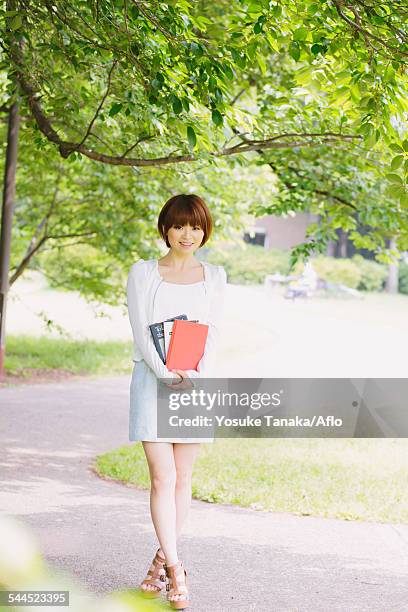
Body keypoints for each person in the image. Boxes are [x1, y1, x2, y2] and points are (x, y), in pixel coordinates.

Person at [126, 194, 227, 609]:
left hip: (196, 381)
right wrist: (166, 372)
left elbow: (214, 331)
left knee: (183, 479)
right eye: (180, 226)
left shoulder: (215, 275)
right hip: (153, 380)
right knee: (161, 478)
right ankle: (175, 569)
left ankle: (160, 559)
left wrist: (194, 374)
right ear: (165, 228)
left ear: (205, 231)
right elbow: (139, 328)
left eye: (197, 227)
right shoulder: (144, 272)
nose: (188, 234)